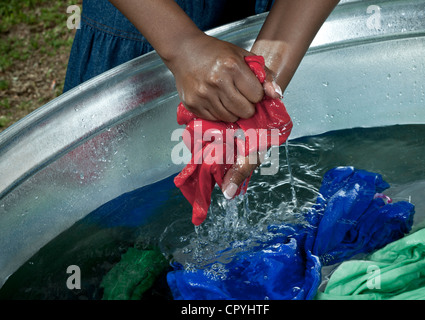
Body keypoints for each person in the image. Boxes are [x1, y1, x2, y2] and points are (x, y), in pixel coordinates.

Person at [64, 0, 340, 200]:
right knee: (97, 186)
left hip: (280, 11)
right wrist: (179, 45)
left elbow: (258, 82)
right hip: (145, 16)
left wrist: (257, 83)